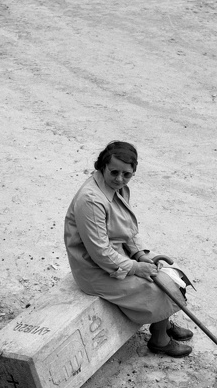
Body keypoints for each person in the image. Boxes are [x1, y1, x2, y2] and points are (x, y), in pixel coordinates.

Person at [64, 141, 193, 357]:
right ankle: (160, 340)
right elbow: (100, 253)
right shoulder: (90, 200)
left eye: (126, 174)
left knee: (169, 271)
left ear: (133, 172)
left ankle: (162, 323)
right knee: (156, 287)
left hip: (117, 254)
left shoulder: (118, 187)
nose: (119, 179)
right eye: (114, 172)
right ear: (102, 166)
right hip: (94, 268)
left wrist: (140, 255)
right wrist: (136, 267)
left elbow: (126, 231)